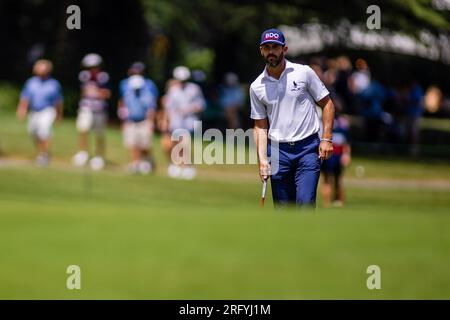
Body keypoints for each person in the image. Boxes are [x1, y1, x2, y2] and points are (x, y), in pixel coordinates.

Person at [250, 28, 335, 207]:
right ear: (261, 50)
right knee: (283, 212)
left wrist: (326, 138)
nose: (271, 51)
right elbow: (260, 126)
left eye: (275, 47)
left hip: (307, 149)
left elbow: (327, 104)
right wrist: (263, 159)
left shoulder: (303, 72)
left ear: (284, 49)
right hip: (278, 152)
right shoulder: (256, 86)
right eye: (267, 47)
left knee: (305, 204)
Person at [162, 66, 206, 180]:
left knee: (184, 144)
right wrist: (166, 121)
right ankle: (176, 165)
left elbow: (201, 105)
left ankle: (187, 166)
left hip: (189, 122)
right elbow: (168, 108)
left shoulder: (194, 89)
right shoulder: (173, 90)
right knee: (175, 144)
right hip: (175, 122)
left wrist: (190, 109)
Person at [16, 59, 63, 166]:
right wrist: (22, 109)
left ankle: (44, 156)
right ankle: (42, 152)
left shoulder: (54, 84)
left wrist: (59, 114)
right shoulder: (31, 82)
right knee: (33, 132)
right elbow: (25, 98)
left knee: (44, 131)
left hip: (48, 110)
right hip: (34, 111)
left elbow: (58, 101)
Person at [72, 53, 111, 170]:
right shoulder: (83, 76)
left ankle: (99, 156)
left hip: (99, 109)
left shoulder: (104, 77)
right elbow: (83, 92)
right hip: (86, 108)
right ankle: (83, 153)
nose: (92, 69)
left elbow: (107, 93)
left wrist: (98, 93)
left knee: (99, 133)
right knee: (82, 129)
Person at [118, 62, 159, 173]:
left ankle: (147, 161)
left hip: (144, 119)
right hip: (130, 119)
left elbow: (152, 106)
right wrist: (122, 118)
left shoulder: (149, 85)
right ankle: (136, 163)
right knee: (132, 143)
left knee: (144, 144)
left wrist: (151, 121)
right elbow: (122, 103)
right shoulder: (125, 84)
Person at [320, 108, 351, 207]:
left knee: (338, 180)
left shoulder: (342, 124)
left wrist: (346, 155)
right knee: (326, 179)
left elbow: (346, 142)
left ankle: (339, 201)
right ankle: (327, 203)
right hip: (327, 155)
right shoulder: (321, 123)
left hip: (337, 156)